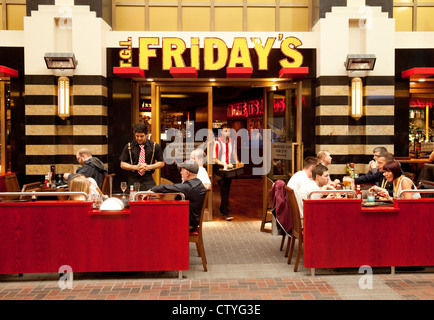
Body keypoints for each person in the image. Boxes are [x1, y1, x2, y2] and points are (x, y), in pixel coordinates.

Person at [150, 162, 206, 231]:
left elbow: (170, 188)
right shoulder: (198, 183)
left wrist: (152, 190)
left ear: (187, 173)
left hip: (187, 224)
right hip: (191, 222)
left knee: (156, 222)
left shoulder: (190, 186)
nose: (180, 172)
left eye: (182, 170)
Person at [119, 123, 164, 191]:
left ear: (147, 135)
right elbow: (122, 164)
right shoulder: (129, 146)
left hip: (148, 180)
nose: (139, 138)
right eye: (137, 136)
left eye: (142, 136)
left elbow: (161, 163)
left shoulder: (154, 146)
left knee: (149, 199)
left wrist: (148, 167)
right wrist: (135, 167)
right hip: (133, 179)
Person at [213, 124, 243, 221]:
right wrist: (225, 164)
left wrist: (237, 162)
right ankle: (227, 212)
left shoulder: (232, 142)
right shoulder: (217, 143)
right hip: (219, 169)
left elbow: (234, 154)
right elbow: (215, 159)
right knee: (224, 189)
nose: (227, 133)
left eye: (229, 131)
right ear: (221, 132)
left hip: (229, 169)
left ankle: (222, 208)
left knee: (226, 190)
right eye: (225, 131)